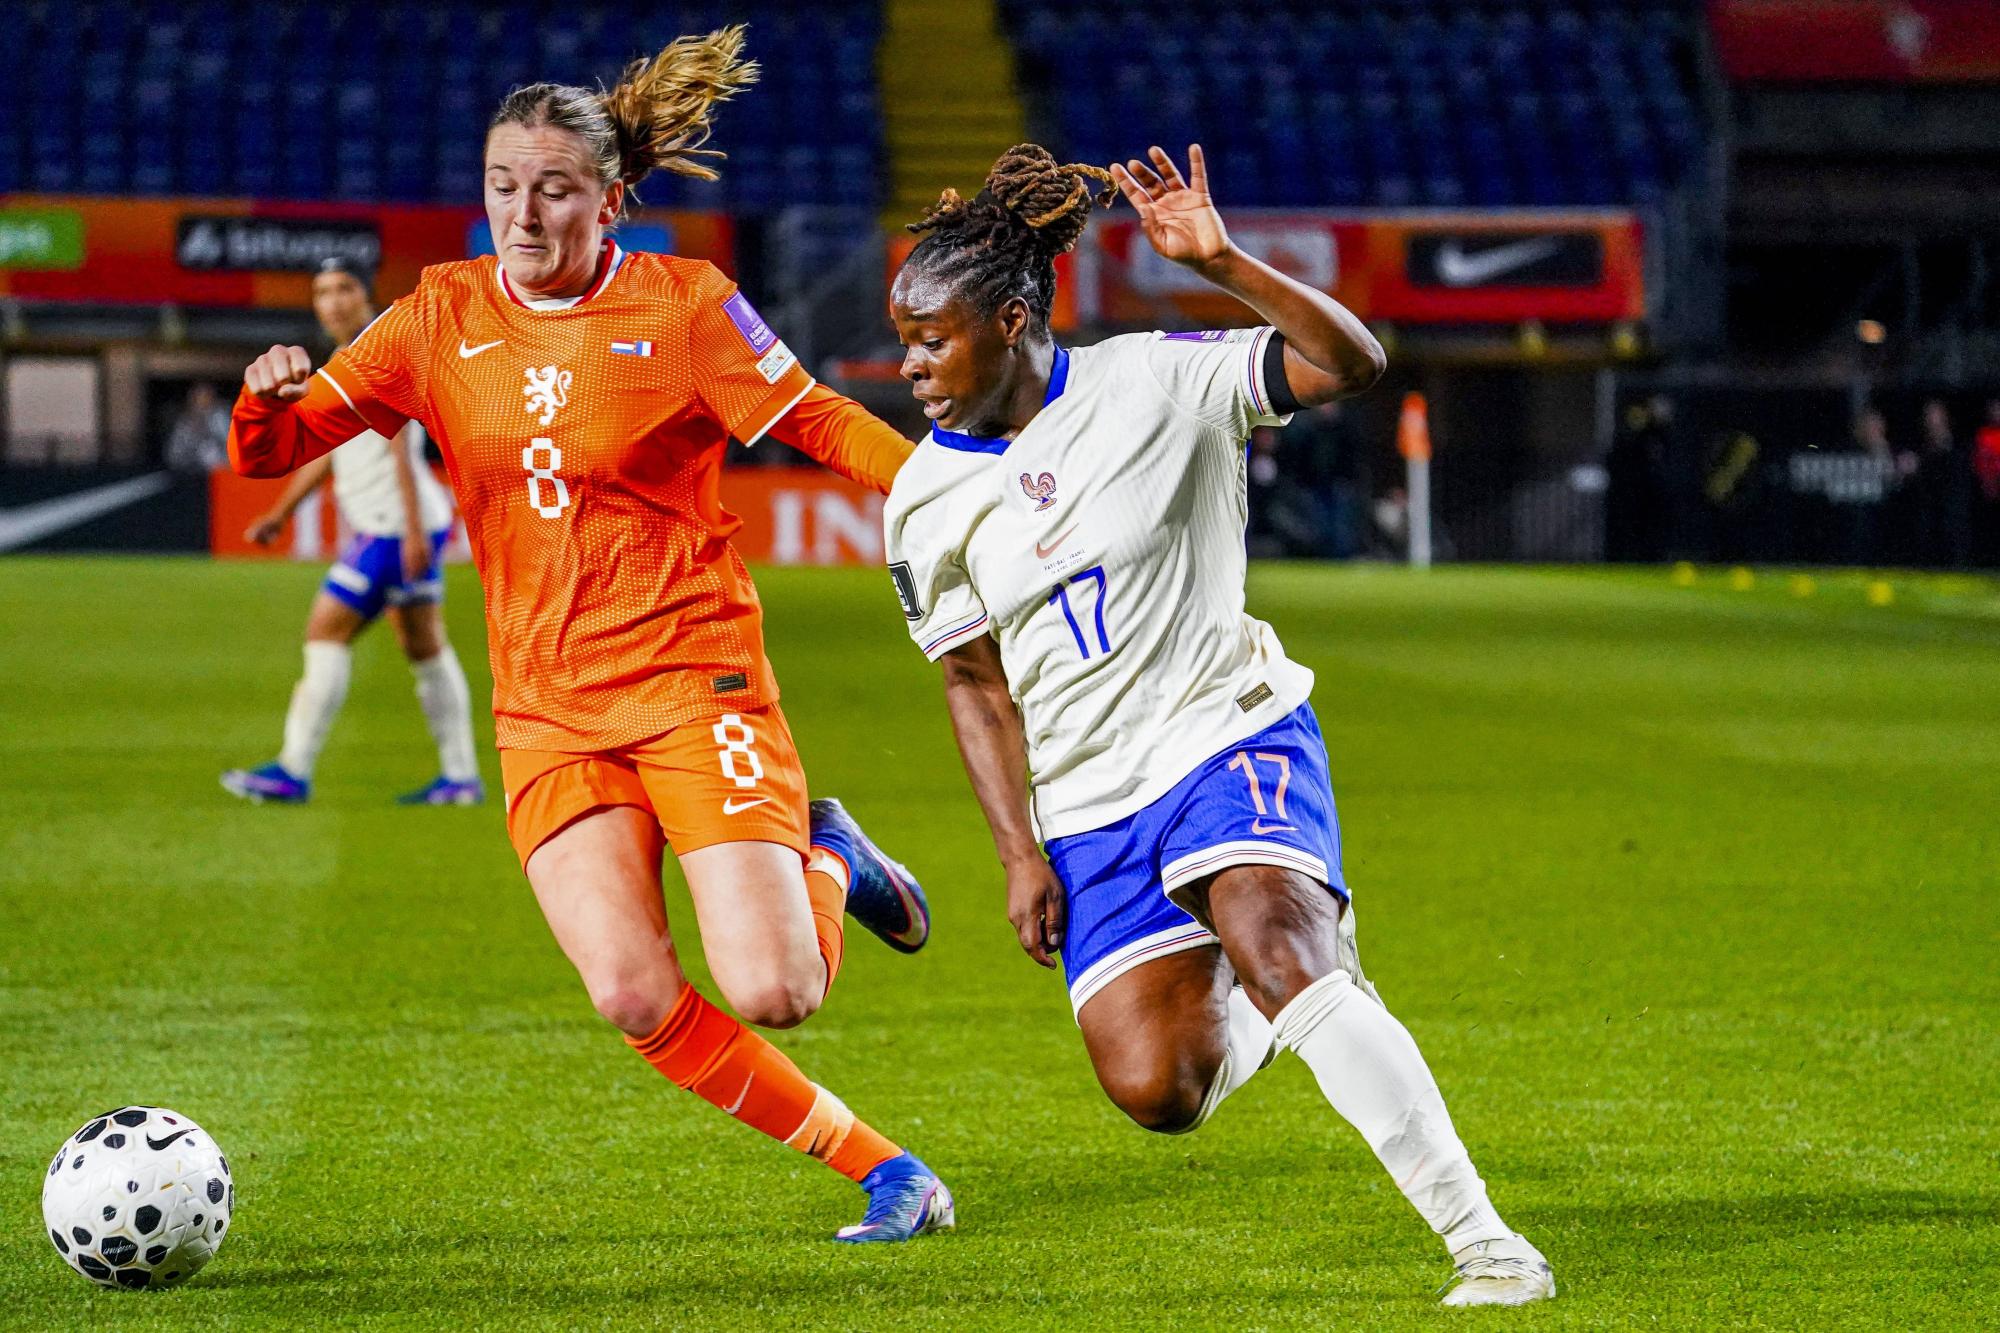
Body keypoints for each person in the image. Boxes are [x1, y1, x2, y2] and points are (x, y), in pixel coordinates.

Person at [225, 27, 951, 1243]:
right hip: (547, 708)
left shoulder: (684, 306)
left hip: (690, 679)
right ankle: (889, 1173)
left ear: (610, 198)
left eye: (553, 189)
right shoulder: (434, 317)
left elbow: (820, 421)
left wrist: (953, 487)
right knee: (628, 990)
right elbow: (273, 451)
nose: (522, 213)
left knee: (775, 988)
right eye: (503, 186)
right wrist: (265, 394)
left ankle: (832, 856)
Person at [883, 143, 1553, 1306]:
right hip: (1090, 805)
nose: (912, 368)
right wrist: (1015, 851)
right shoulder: (922, 498)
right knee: (1159, 1090)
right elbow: (973, 682)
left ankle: (1487, 1244)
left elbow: (1348, 362)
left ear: (1009, 317)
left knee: (1281, 951)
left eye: (931, 340)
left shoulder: (1154, 382)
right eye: (906, 342)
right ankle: (1291, 971)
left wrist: (1224, 261)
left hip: (1222, 730)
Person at [221, 258, 483, 807]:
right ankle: (460, 777)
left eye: (344, 289)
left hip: (392, 528)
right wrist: (282, 512)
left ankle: (293, 768)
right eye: (322, 292)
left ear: (366, 295)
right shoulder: (347, 359)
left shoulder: (382, 346)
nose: (333, 301)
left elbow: (401, 448)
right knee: (425, 647)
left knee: (326, 634)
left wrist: (412, 531)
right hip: (403, 526)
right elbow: (324, 450)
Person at [163, 382, 230, 473]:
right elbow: (174, 454)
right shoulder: (185, 421)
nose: (202, 399)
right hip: (188, 470)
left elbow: (228, 444)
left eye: (206, 395)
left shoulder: (220, 416)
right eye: (198, 395)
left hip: (217, 470)